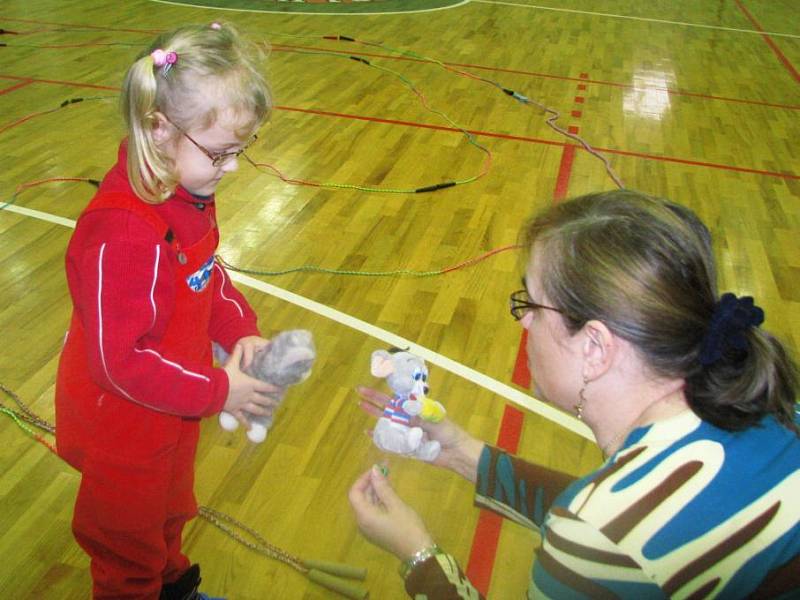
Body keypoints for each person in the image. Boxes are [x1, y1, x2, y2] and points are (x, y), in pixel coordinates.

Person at [349, 190, 800, 598]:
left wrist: (418, 555)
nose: (524, 323)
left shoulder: (598, 536)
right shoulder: (773, 410)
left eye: (531, 305)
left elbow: (604, 537)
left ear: (595, 347)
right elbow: (622, 531)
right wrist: (458, 451)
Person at [55, 23, 277, 600]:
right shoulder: (122, 231)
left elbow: (206, 274)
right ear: (158, 130)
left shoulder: (188, 195)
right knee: (126, 544)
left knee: (172, 509)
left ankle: (172, 584)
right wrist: (217, 391)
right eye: (220, 153)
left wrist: (239, 329)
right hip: (122, 429)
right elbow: (118, 364)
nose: (229, 169)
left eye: (239, 153)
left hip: (173, 406)